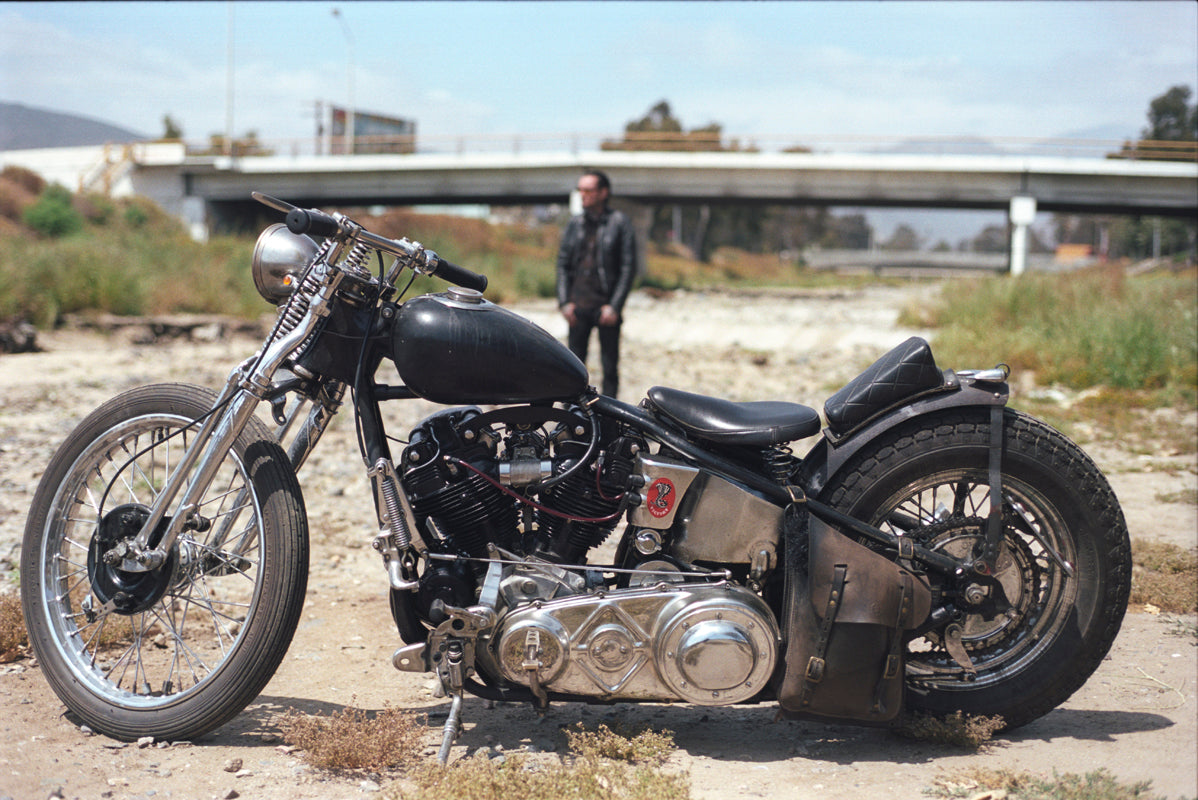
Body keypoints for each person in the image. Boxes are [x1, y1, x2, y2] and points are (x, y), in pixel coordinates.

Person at [555, 170, 637, 398]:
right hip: (577, 307)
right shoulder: (574, 224)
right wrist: (564, 302)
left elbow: (628, 268)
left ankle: (611, 421)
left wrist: (615, 306)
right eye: (580, 190)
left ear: (603, 193)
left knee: (610, 368)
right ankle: (570, 420)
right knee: (571, 369)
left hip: (606, 307)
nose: (583, 195)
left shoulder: (619, 223)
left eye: (588, 190)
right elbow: (562, 264)